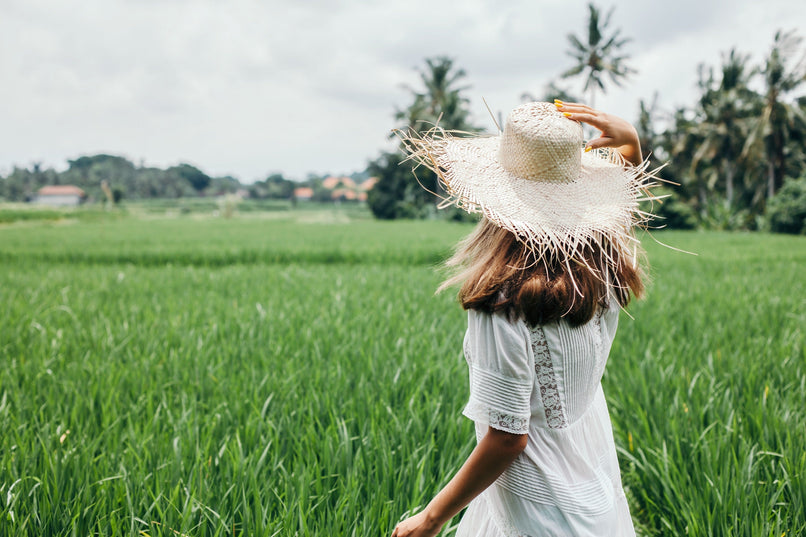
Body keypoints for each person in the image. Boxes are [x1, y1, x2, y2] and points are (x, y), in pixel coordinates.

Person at [391, 101, 660, 537]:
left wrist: (431, 518)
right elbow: (622, 213)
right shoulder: (607, 266)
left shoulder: (503, 302)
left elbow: (507, 439)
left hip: (535, 511)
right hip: (591, 497)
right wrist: (630, 145)